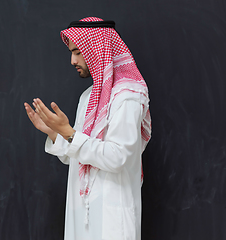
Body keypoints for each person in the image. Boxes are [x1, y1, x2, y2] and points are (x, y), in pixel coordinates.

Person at [24, 17, 151, 240]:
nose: (72, 60)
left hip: (112, 220)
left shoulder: (128, 96)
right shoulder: (88, 97)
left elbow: (118, 157)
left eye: (78, 52)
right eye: (72, 52)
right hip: (81, 216)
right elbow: (80, 155)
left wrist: (69, 133)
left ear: (98, 50)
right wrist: (55, 133)